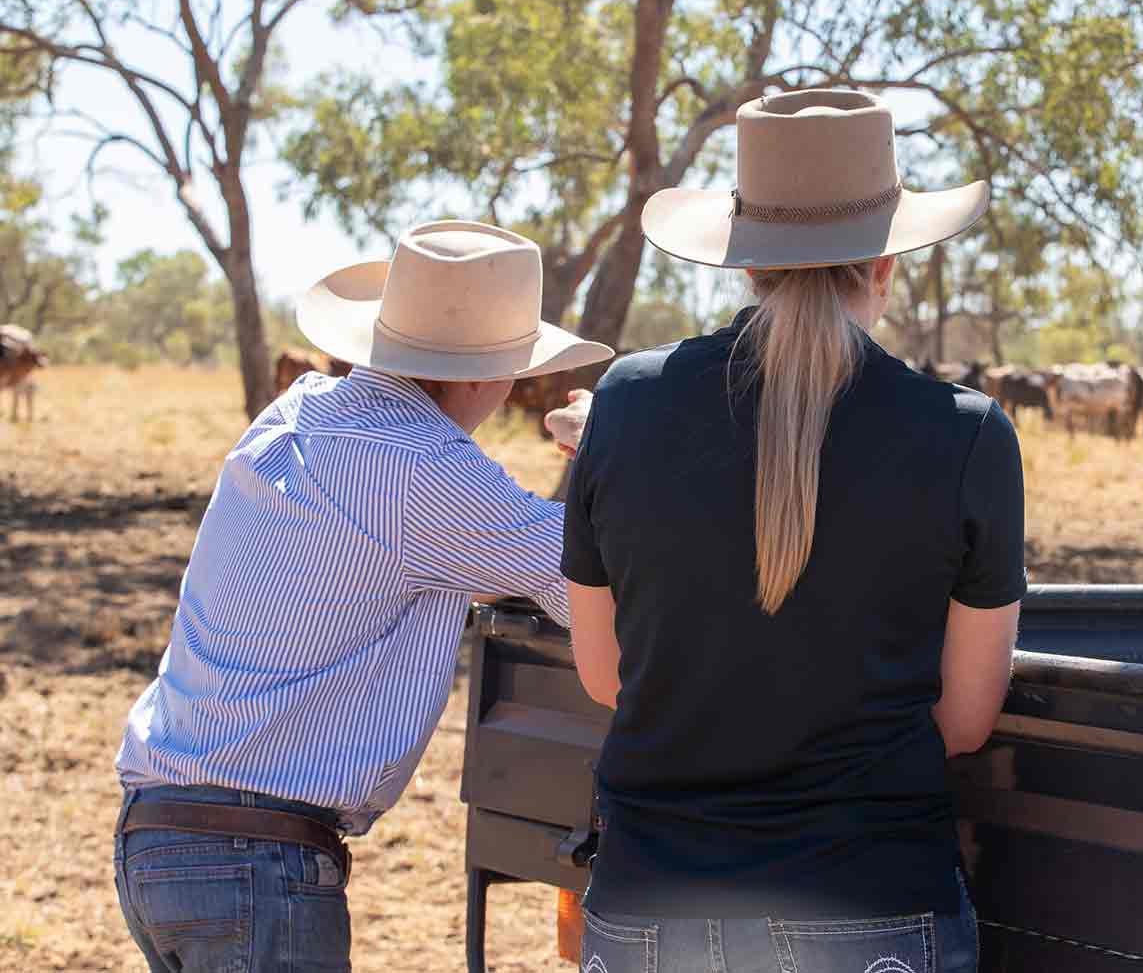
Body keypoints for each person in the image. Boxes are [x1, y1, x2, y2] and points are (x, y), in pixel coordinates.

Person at [562, 89, 1025, 973]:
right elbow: (964, 722)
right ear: (886, 264)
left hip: (651, 904)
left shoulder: (623, 402)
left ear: (747, 265)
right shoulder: (966, 433)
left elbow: (603, 672)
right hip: (871, 902)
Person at [112, 220, 612, 973]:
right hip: (257, 858)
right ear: (485, 374)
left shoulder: (298, 410)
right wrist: (613, 448)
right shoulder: (422, 467)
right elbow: (588, 576)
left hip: (161, 833)